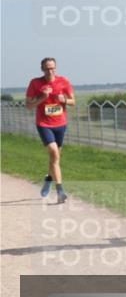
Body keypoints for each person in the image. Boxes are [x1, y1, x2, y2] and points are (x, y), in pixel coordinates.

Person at [25, 57, 75, 203]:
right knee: (54, 152)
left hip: (60, 124)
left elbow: (73, 101)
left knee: (55, 158)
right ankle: (60, 191)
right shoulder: (35, 83)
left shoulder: (63, 81)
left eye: (52, 68)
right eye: (47, 68)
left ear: (56, 68)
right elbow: (28, 105)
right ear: (42, 69)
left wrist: (64, 100)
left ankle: (48, 180)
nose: (50, 71)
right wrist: (43, 97)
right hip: (44, 124)